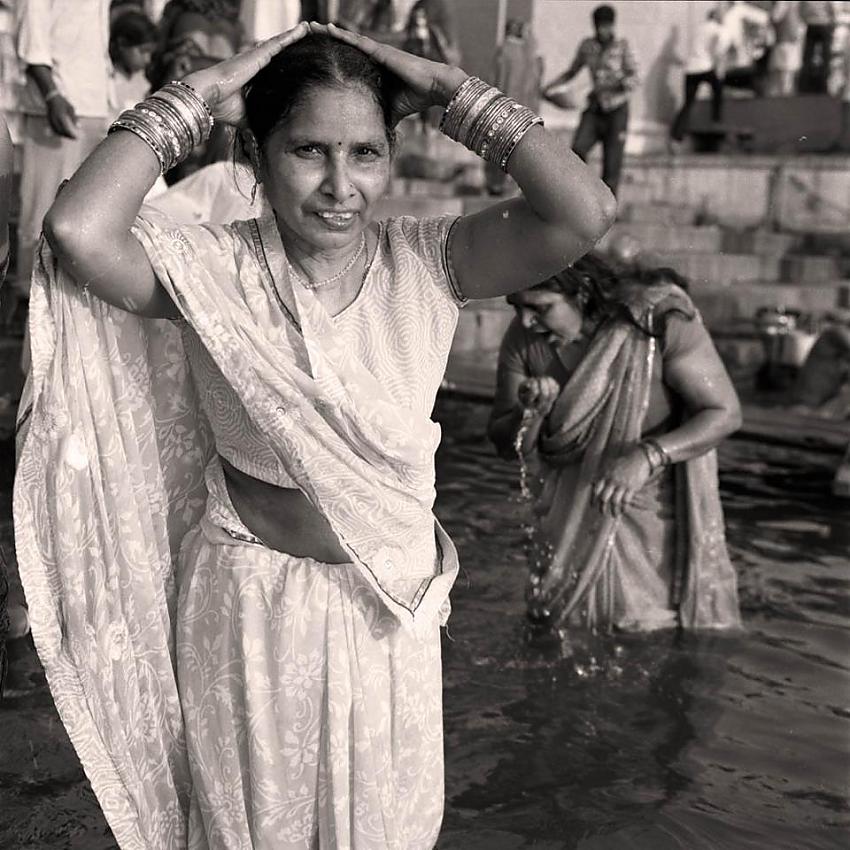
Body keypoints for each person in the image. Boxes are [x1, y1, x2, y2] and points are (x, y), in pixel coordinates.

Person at [17, 21, 615, 847]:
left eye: (365, 153)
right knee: (248, 827)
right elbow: (79, 233)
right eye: (309, 152)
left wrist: (450, 92)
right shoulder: (211, 269)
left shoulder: (434, 261)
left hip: (385, 609)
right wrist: (199, 96)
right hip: (248, 603)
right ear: (255, 156)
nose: (341, 185)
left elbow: (583, 214)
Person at [487, 256, 742, 634]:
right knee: (555, 633)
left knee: (645, 635)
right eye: (517, 307)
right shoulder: (525, 341)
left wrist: (648, 456)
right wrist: (531, 411)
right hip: (562, 527)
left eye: (540, 308)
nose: (525, 321)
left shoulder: (656, 323)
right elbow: (503, 443)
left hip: (646, 524)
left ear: (583, 293)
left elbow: (723, 413)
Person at [13, 0, 113, 315]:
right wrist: (53, 97)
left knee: (81, 211)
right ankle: (28, 296)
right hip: (57, 108)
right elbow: (33, 47)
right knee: (41, 209)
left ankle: (66, 302)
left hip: (95, 103)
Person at [542, 4, 638, 197]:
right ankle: (579, 197)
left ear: (613, 25)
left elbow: (634, 77)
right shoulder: (588, 46)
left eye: (607, 25)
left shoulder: (623, 45)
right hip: (595, 109)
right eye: (600, 26)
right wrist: (550, 87)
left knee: (612, 164)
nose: (603, 30)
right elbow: (572, 71)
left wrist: (615, 84)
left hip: (617, 109)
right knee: (577, 150)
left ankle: (607, 210)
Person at [486, 18, 543, 195]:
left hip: (502, 108)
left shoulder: (504, 52)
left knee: (496, 147)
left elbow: (494, 79)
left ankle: (495, 184)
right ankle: (512, 186)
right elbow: (533, 87)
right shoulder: (530, 57)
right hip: (523, 112)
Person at [670, 6, 729, 144]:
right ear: (716, 17)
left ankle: (676, 134)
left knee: (688, 103)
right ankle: (716, 117)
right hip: (705, 66)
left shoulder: (699, 28)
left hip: (690, 69)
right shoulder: (718, 29)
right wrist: (719, 65)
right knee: (718, 87)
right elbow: (721, 49)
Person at [109, 8, 158, 113]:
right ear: (122, 43)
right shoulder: (110, 81)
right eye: (142, 51)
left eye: (150, 53)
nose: (147, 59)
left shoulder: (140, 79)